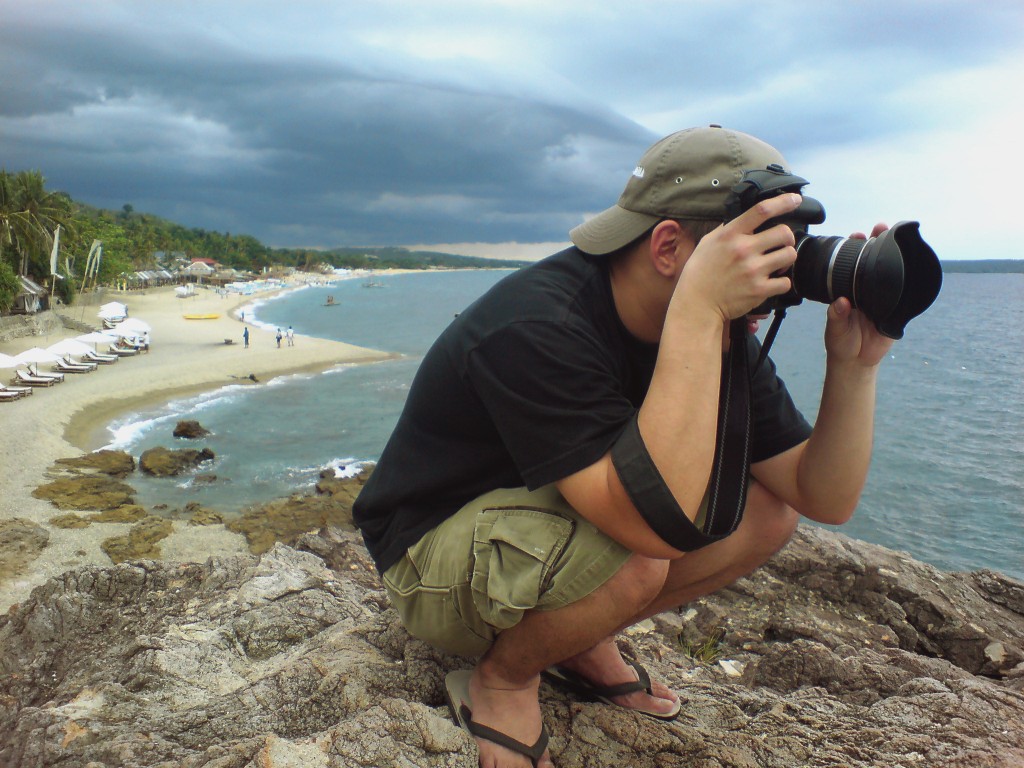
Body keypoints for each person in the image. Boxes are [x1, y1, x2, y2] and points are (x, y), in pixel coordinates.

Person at [353, 125, 894, 768]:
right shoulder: (540, 324)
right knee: (638, 553)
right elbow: (650, 523)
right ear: (669, 247)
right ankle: (501, 680)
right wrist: (699, 311)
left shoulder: (713, 328)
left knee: (767, 514)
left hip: (531, 527)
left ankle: (573, 638)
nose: (768, 274)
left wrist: (855, 366)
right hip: (427, 558)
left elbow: (820, 494)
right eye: (747, 247)